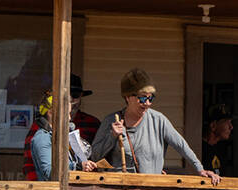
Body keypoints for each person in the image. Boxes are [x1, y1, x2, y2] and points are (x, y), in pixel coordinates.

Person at [91, 68, 220, 183]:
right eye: (142, 98)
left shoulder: (158, 120)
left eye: (151, 98)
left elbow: (181, 145)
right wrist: (112, 136)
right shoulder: (111, 120)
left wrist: (200, 169)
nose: (147, 103)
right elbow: (95, 156)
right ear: (127, 97)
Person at [22, 74, 100, 181]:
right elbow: (31, 164)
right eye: (67, 95)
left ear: (81, 96)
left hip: (78, 189)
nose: (71, 99)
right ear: (51, 112)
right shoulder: (41, 132)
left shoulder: (93, 123)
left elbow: (96, 157)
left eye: (75, 95)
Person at [201, 103, 234, 177]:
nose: (231, 127)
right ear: (213, 126)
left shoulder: (221, 149)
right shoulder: (200, 149)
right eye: (227, 122)